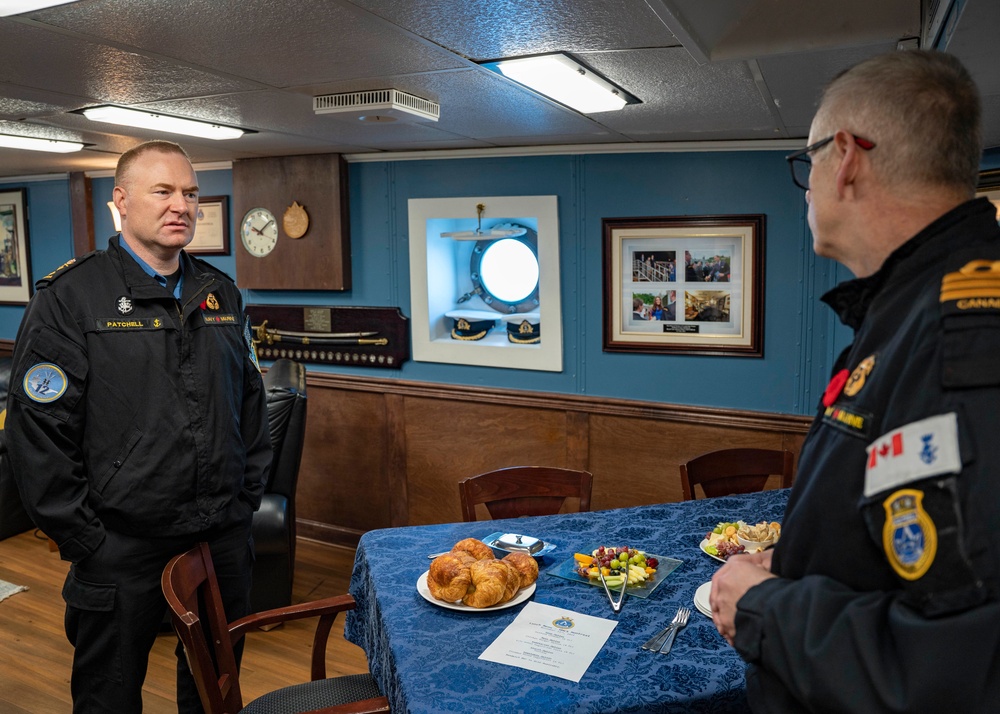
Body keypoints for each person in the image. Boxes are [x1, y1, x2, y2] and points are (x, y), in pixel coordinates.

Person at [709, 50, 1000, 712]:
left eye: (806, 161)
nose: (807, 186)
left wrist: (763, 609)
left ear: (844, 158)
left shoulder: (966, 337)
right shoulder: (907, 309)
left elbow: (965, 668)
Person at [6, 140, 271, 713]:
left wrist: (245, 495)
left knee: (213, 691)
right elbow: (36, 431)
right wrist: (84, 538)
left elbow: (250, 404)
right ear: (121, 201)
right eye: (163, 191)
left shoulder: (218, 292)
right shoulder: (71, 297)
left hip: (220, 534)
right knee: (110, 695)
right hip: (121, 544)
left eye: (191, 193)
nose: (181, 205)